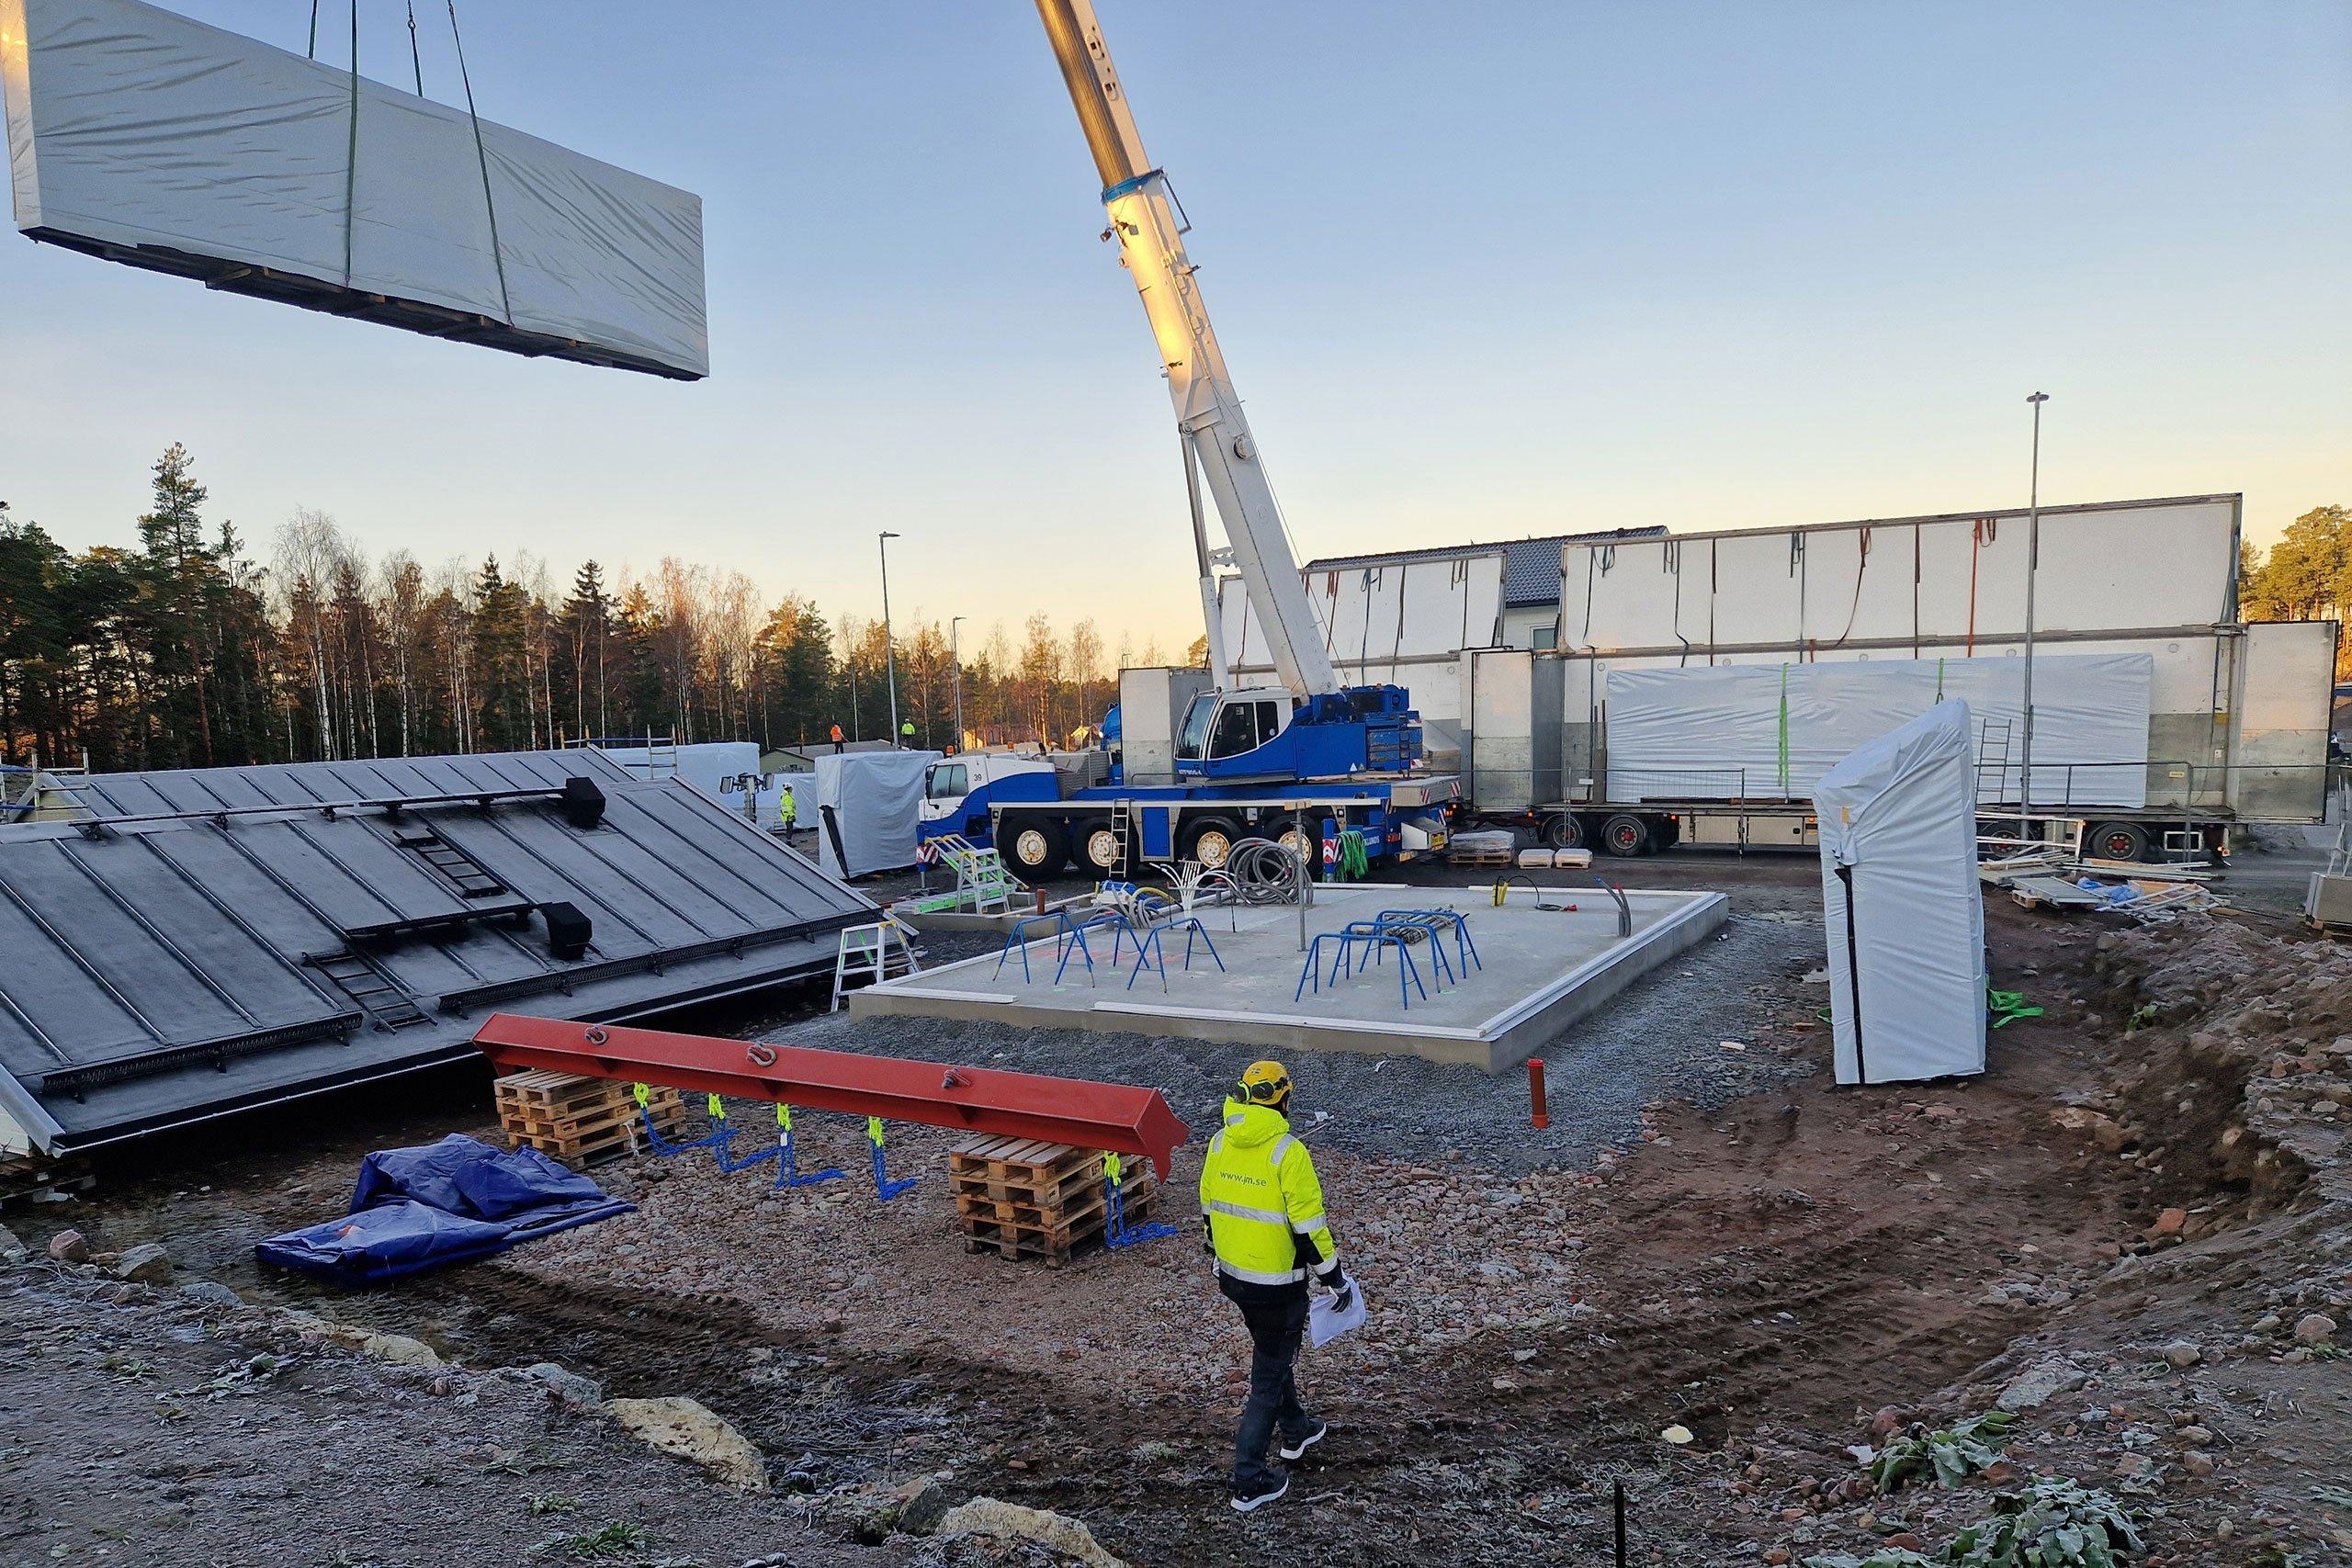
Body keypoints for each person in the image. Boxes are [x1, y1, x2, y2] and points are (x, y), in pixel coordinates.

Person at [1198, 1059, 1348, 1512]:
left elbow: (1208, 1211)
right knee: (1266, 1376)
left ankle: (1297, 1429)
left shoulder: (1220, 1142)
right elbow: (1309, 1230)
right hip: (1279, 1287)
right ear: (1283, 1097)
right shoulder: (1288, 1152)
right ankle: (1249, 1478)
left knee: (1271, 1351)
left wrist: (1223, 1258)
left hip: (1234, 1278)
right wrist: (1336, 1281)